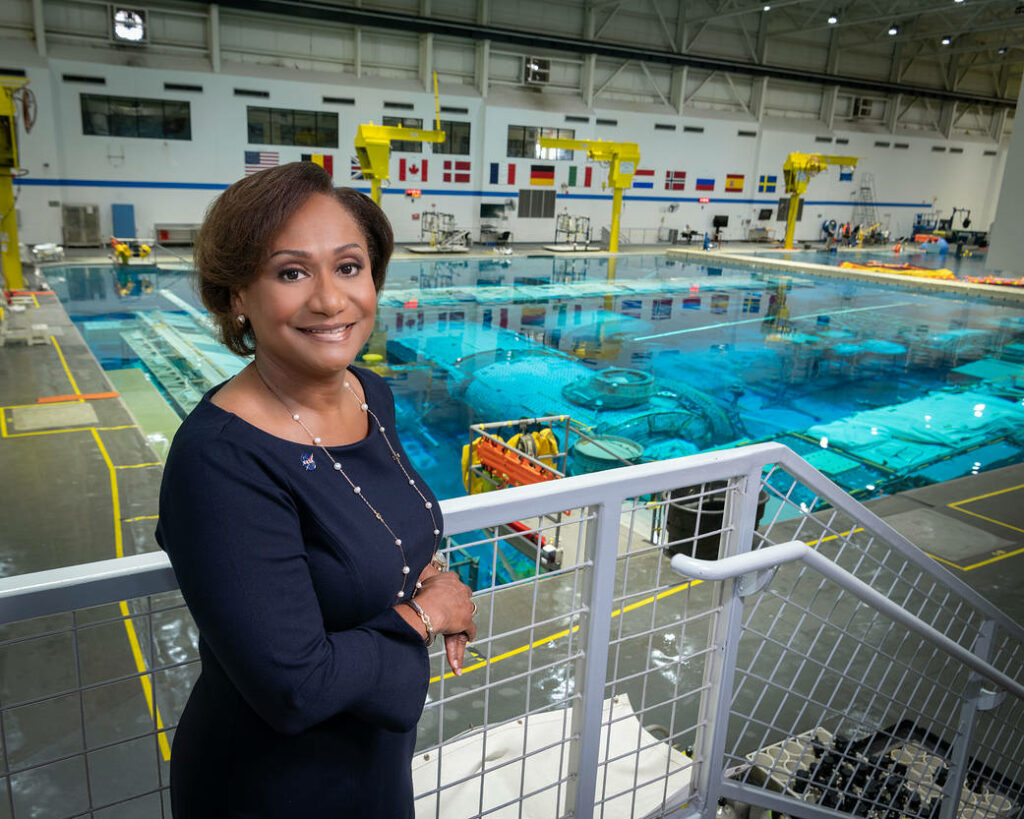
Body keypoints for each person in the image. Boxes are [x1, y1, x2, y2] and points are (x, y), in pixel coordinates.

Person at [156, 161, 477, 817]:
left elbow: (377, 515)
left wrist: (427, 568)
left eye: (349, 266)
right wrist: (428, 613)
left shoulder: (370, 393)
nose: (330, 300)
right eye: (291, 271)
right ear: (236, 294)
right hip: (272, 784)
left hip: (375, 761)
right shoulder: (220, 461)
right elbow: (295, 684)